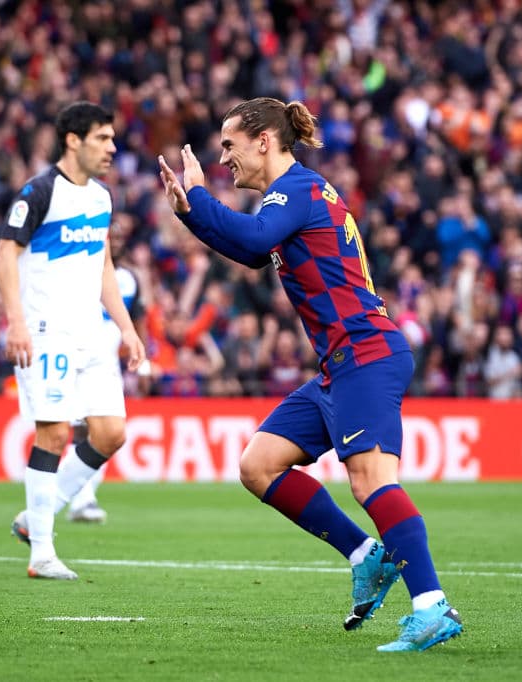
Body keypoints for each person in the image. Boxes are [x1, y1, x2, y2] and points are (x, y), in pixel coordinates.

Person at [158, 97, 462, 652]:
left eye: (230, 145)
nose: (225, 158)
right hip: (339, 365)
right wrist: (188, 211)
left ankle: (432, 606)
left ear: (264, 142)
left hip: (365, 353)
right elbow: (253, 254)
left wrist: (199, 197)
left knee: (372, 481)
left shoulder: (295, 189)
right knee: (259, 464)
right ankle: (366, 556)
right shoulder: (294, 196)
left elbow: (251, 241)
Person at [0, 101, 145, 580]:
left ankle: (32, 517)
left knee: (110, 433)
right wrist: (16, 322)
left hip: (91, 333)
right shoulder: (39, 192)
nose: (112, 148)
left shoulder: (102, 198)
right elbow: (5, 253)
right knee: (55, 433)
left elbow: (102, 267)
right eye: (103, 138)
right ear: (73, 140)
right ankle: (41, 551)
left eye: (113, 138)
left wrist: (125, 326)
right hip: (46, 331)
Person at [66, 213, 148, 524]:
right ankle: (74, 497)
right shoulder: (76, 271)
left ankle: (81, 498)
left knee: (105, 432)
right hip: (76, 353)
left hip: (107, 360)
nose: (112, 240)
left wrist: (142, 359)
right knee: (76, 430)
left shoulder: (127, 279)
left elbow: (138, 320)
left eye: (116, 236)